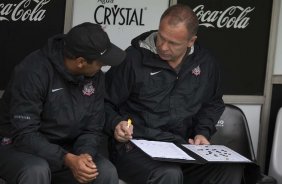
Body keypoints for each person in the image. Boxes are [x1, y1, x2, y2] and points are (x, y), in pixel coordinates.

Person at [104, 4, 244, 184]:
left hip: (182, 146)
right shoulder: (132, 59)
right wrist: (116, 124)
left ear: (190, 41)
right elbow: (103, 102)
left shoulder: (205, 63)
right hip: (134, 146)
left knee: (229, 169)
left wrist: (202, 132)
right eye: (161, 37)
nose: (163, 46)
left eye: (173, 43)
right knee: (169, 173)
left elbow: (212, 103)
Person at [0, 22, 125, 184]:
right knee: (36, 170)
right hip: (17, 146)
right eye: (100, 63)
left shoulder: (96, 76)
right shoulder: (32, 72)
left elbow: (92, 128)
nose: (103, 66)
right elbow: (25, 134)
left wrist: (84, 156)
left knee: (105, 171)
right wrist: (66, 159)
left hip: (68, 149)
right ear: (80, 62)